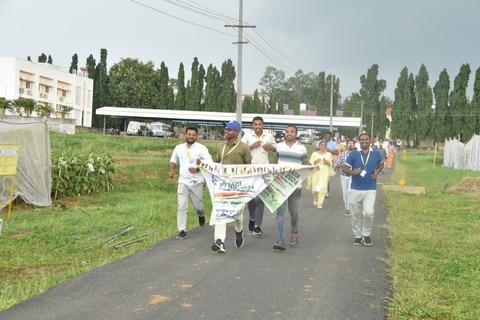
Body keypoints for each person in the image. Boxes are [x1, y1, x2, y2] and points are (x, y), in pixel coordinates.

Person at [211, 121, 252, 254]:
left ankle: (239, 231)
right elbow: (215, 163)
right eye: (226, 129)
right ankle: (219, 241)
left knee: (237, 215)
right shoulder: (220, 146)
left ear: (236, 132)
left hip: (238, 186)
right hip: (223, 185)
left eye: (229, 129)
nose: (226, 131)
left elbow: (249, 167)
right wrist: (203, 166)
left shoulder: (244, 148)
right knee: (220, 211)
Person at [341, 133, 384, 247]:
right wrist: (352, 172)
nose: (364, 141)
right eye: (362, 140)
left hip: (370, 188)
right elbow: (344, 167)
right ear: (359, 142)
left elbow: (381, 164)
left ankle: (366, 234)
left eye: (367, 139)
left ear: (371, 141)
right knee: (355, 214)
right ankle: (357, 236)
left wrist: (377, 172)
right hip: (355, 189)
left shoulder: (376, 153)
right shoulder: (354, 154)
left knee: (368, 212)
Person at [169, 127, 212, 239]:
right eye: (189, 134)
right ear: (185, 135)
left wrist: (198, 169)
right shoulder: (179, 148)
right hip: (183, 181)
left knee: (198, 206)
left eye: (193, 135)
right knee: (181, 206)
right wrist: (172, 171)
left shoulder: (201, 148)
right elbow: (173, 160)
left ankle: (201, 215)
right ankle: (182, 230)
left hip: (196, 182)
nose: (191, 136)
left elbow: (209, 163)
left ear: (196, 136)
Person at [273, 124, 308, 251]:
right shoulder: (279, 146)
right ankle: (279, 240)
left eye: (292, 132)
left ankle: (294, 231)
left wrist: (313, 167)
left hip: (295, 185)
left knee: (293, 212)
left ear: (296, 134)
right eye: (287, 131)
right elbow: (274, 163)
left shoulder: (302, 148)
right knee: (280, 213)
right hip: (280, 184)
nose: (289, 133)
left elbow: (305, 166)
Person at [241, 116, 276, 236]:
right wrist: (252, 146)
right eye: (255, 124)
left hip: (264, 171)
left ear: (263, 125)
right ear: (252, 126)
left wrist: (270, 147)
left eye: (259, 124)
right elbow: (241, 149)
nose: (257, 127)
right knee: (251, 198)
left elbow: (276, 149)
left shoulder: (269, 136)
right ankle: (251, 217)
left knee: (260, 199)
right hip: (250, 171)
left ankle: (257, 226)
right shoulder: (247, 136)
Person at [307, 140, 332, 209]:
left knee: (323, 188)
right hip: (316, 171)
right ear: (319, 146)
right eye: (321, 145)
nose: (323, 146)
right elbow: (311, 163)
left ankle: (320, 203)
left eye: (324, 145)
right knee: (315, 189)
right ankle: (316, 197)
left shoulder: (329, 154)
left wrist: (326, 162)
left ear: (326, 146)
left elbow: (330, 165)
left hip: (324, 172)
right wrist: (315, 162)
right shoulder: (314, 154)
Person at [335, 139, 356, 215]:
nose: (350, 145)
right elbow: (336, 164)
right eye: (349, 143)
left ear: (354, 145)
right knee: (345, 193)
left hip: (354, 176)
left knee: (350, 192)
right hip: (344, 176)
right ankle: (347, 208)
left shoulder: (357, 154)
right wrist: (343, 164)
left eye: (352, 143)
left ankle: (351, 208)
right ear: (346, 145)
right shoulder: (342, 154)